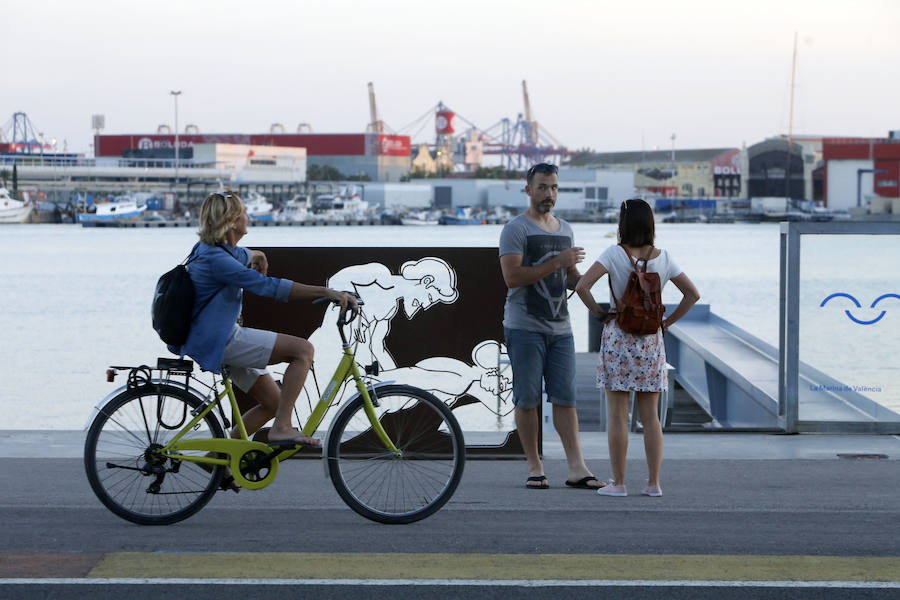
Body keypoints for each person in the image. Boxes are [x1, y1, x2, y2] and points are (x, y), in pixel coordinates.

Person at [172, 190, 356, 491]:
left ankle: (215, 457)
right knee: (303, 350)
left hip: (210, 338)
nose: (249, 217)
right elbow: (270, 287)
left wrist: (256, 254)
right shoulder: (218, 259)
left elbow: (242, 256)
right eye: (244, 212)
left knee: (272, 401)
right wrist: (327, 292)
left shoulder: (212, 250)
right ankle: (282, 429)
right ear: (232, 221)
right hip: (221, 340)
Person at [575, 198, 700, 497]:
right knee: (650, 417)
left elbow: (581, 287)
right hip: (651, 341)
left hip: (619, 338)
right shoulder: (664, 258)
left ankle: (618, 483)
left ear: (623, 224)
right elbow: (692, 295)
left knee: (618, 415)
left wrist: (600, 314)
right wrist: (666, 322)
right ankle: (653, 483)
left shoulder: (614, 254)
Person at [499, 163, 605, 490]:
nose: (549, 194)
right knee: (527, 399)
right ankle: (534, 465)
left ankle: (577, 467)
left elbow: (570, 278)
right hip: (524, 326)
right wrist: (557, 262)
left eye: (554, 187)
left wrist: (598, 303)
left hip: (561, 328)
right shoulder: (515, 229)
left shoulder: (565, 230)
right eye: (543, 187)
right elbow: (512, 277)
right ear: (528, 189)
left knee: (565, 398)